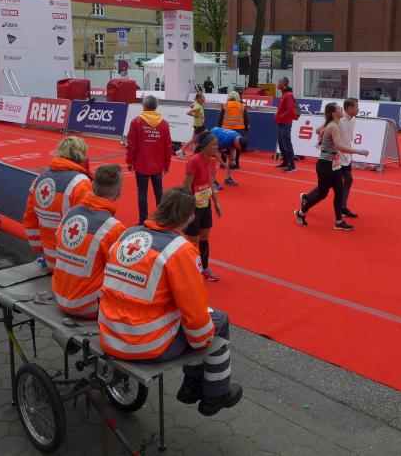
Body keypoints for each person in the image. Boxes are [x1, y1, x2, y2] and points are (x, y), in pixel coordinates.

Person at [98, 187, 243, 415]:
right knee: (216, 322)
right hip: (145, 344)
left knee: (191, 321)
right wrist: (202, 343)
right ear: (189, 217)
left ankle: (191, 387)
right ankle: (215, 394)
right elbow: (195, 316)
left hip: (109, 332)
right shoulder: (180, 250)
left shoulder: (127, 234)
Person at [52, 164, 127, 319]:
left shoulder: (70, 214)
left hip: (59, 293)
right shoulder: (114, 228)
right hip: (89, 305)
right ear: (119, 192)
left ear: (92, 186)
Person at [294, 103, 368, 231]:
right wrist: (359, 151)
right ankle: (300, 212)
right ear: (334, 113)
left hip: (334, 163)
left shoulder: (335, 123)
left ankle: (339, 222)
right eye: (339, 109)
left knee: (339, 190)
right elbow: (339, 146)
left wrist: (323, 135)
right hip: (325, 164)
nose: (342, 109)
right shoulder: (333, 125)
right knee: (323, 193)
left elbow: (319, 131)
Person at [23, 136, 93, 268]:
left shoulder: (39, 179)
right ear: (82, 155)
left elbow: (30, 217)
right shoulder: (81, 183)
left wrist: (39, 248)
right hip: (70, 263)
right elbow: (85, 227)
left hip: (48, 257)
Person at [126, 95, 173, 225]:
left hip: (141, 164)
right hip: (158, 165)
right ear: (156, 107)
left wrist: (129, 161)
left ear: (144, 106)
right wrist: (167, 163)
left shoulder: (136, 122)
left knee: (142, 193)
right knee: (159, 193)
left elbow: (131, 144)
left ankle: (143, 221)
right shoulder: (164, 124)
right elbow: (168, 145)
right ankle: (161, 219)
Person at [183, 131, 222, 281]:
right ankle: (189, 270)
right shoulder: (194, 161)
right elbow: (186, 187)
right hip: (193, 205)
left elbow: (210, 182)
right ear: (205, 145)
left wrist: (216, 201)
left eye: (217, 144)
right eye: (214, 144)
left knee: (204, 237)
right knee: (193, 242)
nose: (216, 147)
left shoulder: (211, 161)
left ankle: (204, 268)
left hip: (205, 204)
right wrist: (188, 209)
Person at [218, 91, 249, 169]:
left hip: (226, 129)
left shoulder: (225, 105)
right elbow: (246, 119)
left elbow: (220, 118)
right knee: (237, 147)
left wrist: (219, 127)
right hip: (238, 129)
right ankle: (235, 164)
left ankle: (223, 163)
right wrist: (246, 128)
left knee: (225, 146)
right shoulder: (242, 106)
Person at [274, 77, 299, 173]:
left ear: (283, 84)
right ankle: (285, 162)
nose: (277, 84)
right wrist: (278, 117)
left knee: (286, 143)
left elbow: (289, 110)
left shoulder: (288, 95)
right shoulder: (284, 94)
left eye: (279, 82)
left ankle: (292, 165)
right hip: (281, 122)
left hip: (285, 122)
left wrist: (280, 116)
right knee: (281, 143)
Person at [176, 93, 206, 159]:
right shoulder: (198, 106)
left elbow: (191, 105)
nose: (204, 98)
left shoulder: (197, 104)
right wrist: (194, 115)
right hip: (199, 125)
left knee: (196, 139)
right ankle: (181, 151)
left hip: (199, 124)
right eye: (203, 97)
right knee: (201, 138)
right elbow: (188, 112)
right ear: (199, 99)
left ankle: (185, 151)